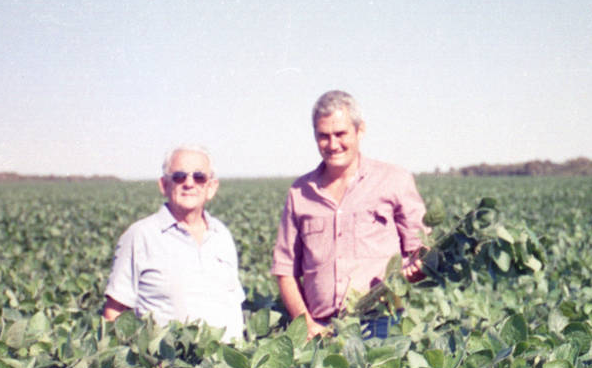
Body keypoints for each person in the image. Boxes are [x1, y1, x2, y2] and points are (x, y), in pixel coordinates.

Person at [271, 90, 427, 338]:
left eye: (340, 134)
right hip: (321, 327)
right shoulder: (300, 193)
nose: (333, 145)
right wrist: (305, 324)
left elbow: (420, 250)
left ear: (360, 130)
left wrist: (418, 269)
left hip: (380, 322)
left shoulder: (394, 180)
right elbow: (285, 269)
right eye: (323, 136)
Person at [104, 145, 245, 341]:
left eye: (199, 177)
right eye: (179, 176)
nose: (189, 183)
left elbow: (234, 304)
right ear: (164, 185)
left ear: (211, 187)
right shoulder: (140, 236)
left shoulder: (221, 234)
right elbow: (114, 313)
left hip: (227, 365)